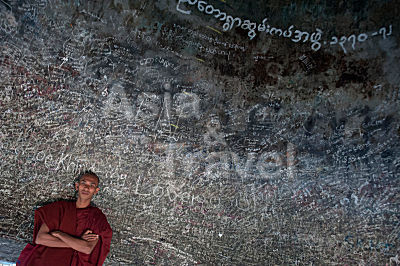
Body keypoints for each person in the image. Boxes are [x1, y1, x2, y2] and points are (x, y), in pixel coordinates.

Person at [17, 171, 112, 266]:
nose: (86, 188)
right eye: (83, 183)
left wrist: (59, 234)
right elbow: (41, 238)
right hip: (47, 260)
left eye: (92, 185)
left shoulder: (96, 217)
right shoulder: (60, 208)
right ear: (77, 186)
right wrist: (77, 242)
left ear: (96, 190)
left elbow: (87, 248)